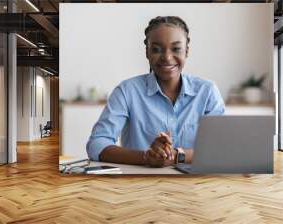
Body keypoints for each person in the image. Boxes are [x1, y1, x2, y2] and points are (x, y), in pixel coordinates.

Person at [86, 16, 225, 167]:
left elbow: (221, 148)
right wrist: (146, 157)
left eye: (176, 48)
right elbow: (97, 144)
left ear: (187, 51)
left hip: (195, 185)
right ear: (147, 52)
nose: (166, 57)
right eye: (157, 49)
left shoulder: (207, 91)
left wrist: (177, 156)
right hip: (138, 184)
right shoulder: (127, 91)